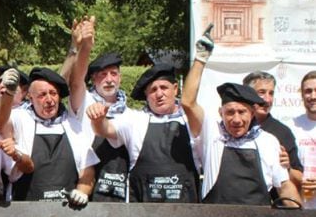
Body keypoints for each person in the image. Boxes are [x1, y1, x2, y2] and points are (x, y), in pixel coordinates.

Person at [180, 33, 298, 205]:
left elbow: (285, 187)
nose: (236, 119)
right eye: (230, 112)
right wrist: (201, 58)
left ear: (252, 113)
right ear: (220, 112)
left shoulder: (268, 142)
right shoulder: (212, 134)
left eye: (242, 112)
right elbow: (187, 102)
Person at [87, 63, 201, 203]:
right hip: (143, 215)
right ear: (146, 95)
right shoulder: (135, 120)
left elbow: (190, 103)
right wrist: (98, 119)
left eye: (164, 88)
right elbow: (105, 129)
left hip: (187, 212)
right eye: (153, 90)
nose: (159, 94)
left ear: (175, 89)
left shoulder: (191, 121)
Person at [0, 66, 96, 206]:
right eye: (42, 95)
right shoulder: (20, 118)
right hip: (25, 210)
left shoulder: (73, 125)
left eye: (53, 93)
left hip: (68, 213)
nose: (49, 99)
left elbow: (87, 169)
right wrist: (8, 94)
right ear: (30, 97)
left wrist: (82, 192)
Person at [71, 17, 130, 202]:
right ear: (94, 80)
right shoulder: (84, 101)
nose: (109, 80)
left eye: (113, 74)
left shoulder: (131, 114)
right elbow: (75, 82)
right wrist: (85, 47)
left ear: (120, 78)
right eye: (103, 75)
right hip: (86, 186)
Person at [242, 71, 303, 197]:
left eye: (271, 93)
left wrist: (288, 168)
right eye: (262, 92)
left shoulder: (282, 132)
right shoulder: (234, 127)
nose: (268, 99)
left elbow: (300, 178)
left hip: (272, 207)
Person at [287, 71, 316, 208]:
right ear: (302, 95)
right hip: (300, 208)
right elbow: (284, 167)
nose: (313, 96)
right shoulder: (291, 126)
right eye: (308, 91)